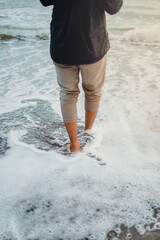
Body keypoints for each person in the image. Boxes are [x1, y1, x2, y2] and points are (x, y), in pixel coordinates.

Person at [39, 0, 123, 152]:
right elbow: (113, 7)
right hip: (93, 45)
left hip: (62, 44)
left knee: (68, 93)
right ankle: (87, 132)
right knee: (93, 91)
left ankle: (74, 144)